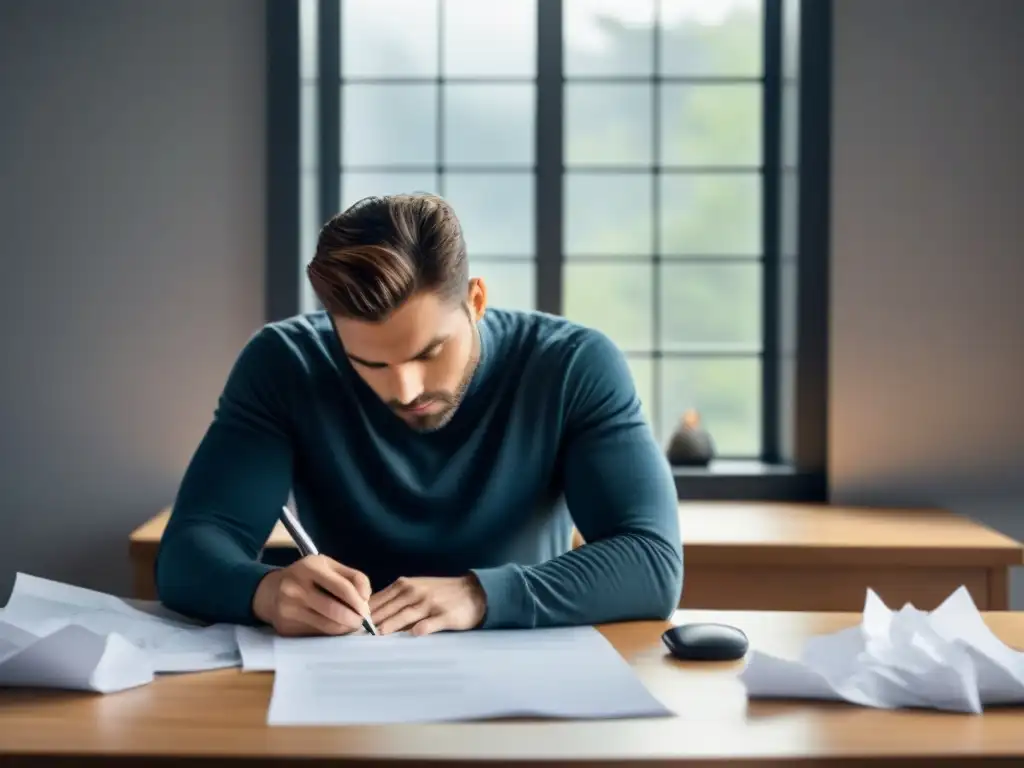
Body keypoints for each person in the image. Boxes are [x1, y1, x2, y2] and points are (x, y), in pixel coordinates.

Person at [155, 193, 683, 637]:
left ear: (475, 301)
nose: (405, 389)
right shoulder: (284, 363)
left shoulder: (574, 365)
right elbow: (188, 553)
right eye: (370, 362)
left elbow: (651, 562)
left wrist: (481, 596)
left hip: (520, 666)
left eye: (429, 352)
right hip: (347, 677)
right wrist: (265, 591)